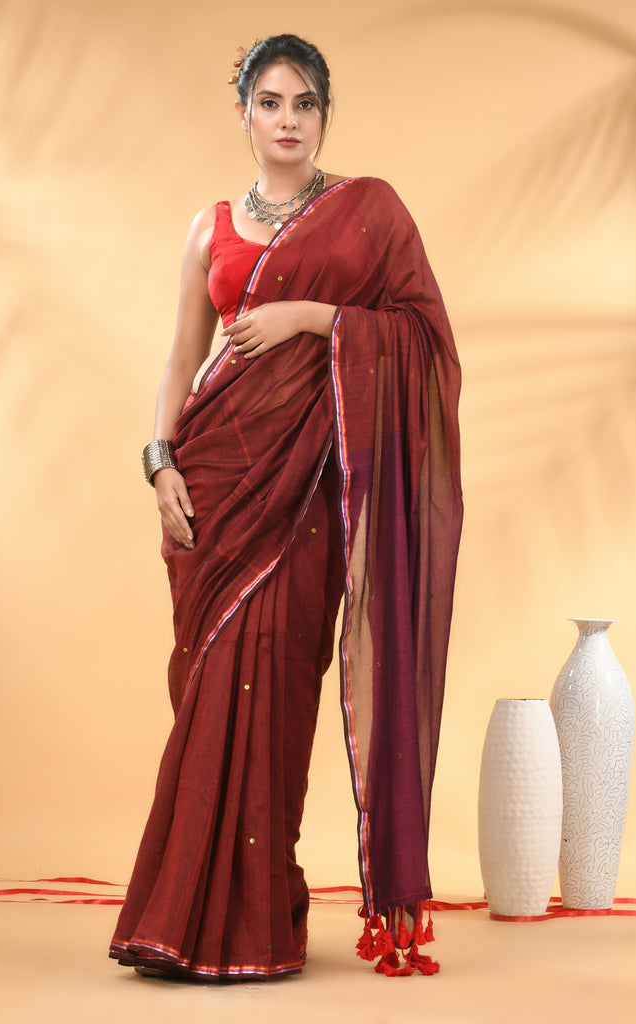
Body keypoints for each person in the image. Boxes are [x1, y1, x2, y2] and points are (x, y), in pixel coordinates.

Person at [110, 33, 462, 981]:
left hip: (305, 496)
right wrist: (159, 465)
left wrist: (312, 318)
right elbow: (181, 362)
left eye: (305, 103)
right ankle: (177, 921)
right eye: (270, 103)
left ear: (325, 114)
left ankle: (254, 922)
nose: (289, 121)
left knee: (277, 693)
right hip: (217, 478)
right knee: (208, 695)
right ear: (244, 114)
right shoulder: (210, 227)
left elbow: (425, 338)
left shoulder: (369, 213)